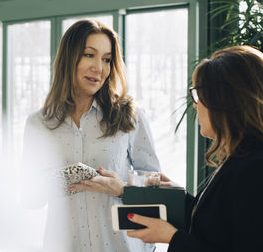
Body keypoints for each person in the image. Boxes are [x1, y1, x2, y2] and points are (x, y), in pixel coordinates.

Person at [22, 19, 160, 251]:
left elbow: (157, 188)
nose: (99, 68)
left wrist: (122, 189)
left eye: (107, 59)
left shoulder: (129, 116)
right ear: (69, 59)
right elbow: (29, 198)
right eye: (89, 55)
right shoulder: (39, 124)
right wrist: (55, 180)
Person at [126, 45, 263, 252]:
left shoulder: (260, 170)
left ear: (225, 101)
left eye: (198, 95)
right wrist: (181, 198)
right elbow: (220, 226)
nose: (195, 106)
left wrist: (172, 237)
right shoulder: (244, 158)